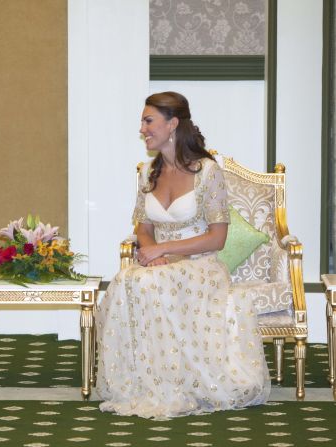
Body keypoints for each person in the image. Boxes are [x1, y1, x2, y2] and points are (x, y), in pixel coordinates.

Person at [95, 91, 270, 419]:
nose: (142, 129)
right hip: (159, 264)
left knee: (148, 284)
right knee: (125, 281)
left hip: (200, 266)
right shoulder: (150, 171)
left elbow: (217, 238)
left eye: (148, 121)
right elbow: (142, 227)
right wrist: (150, 249)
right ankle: (142, 382)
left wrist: (164, 249)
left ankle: (175, 383)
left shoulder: (207, 171)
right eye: (142, 122)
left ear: (173, 123)